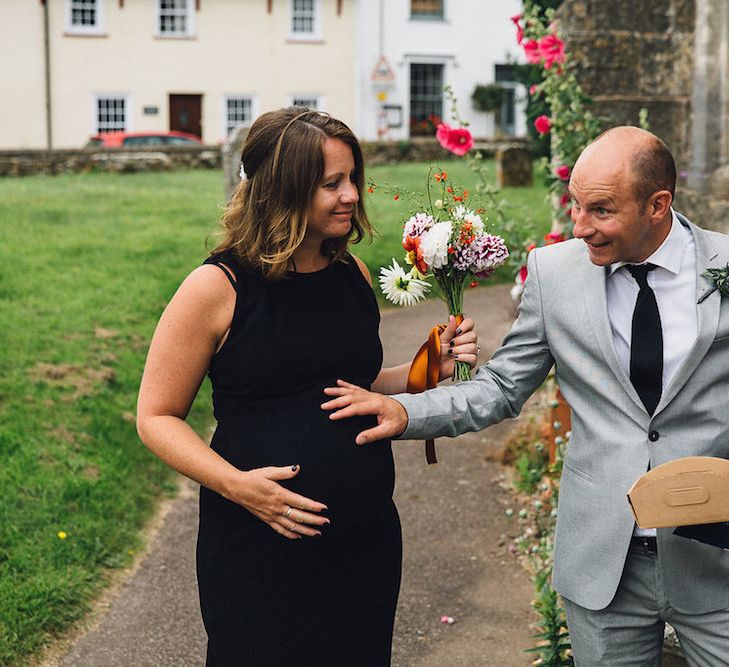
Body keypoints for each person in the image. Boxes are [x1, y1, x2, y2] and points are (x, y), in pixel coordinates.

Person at [322, 126, 729, 666]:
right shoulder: (554, 273)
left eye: (601, 211)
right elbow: (501, 387)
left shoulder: (722, 264)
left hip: (716, 559)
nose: (579, 227)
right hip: (604, 561)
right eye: (575, 206)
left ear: (658, 205)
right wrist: (405, 410)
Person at [136, 107, 478, 666]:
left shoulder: (353, 275)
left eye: (352, 180)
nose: (351, 196)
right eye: (331, 184)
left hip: (364, 541)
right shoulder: (216, 287)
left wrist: (426, 369)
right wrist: (238, 486)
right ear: (282, 189)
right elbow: (156, 417)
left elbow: (352, 387)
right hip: (259, 543)